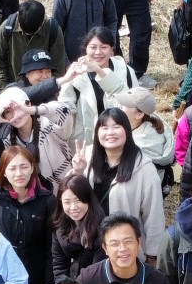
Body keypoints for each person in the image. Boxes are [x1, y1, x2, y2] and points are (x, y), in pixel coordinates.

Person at [65, 108, 166, 258]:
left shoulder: (144, 168)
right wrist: (77, 172)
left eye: (116, 127)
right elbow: (70, 196)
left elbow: (154, 214)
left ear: (127, 130)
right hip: (89, 244)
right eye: (104, 127)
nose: (110, 132)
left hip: (123, 249)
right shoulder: (86, 156)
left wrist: (153, 254)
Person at [0, 145, 57, 284]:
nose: (19, 173)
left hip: (36, 270)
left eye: (24, 167)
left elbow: (51, 245)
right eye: (12, 168)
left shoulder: (47, 200)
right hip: (5, 272)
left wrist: (49, 283)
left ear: (32, 167)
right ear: (3, 171)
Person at [0, 72, 76, 182]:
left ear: (29, 104)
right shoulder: (7, 141)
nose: (15, 114)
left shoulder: (49, 124)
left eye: (18, 108)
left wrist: (34, 110)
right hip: (31, 191)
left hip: (65, 186)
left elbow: (65, 111)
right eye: (8, 112)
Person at [56, 27, 138, 142]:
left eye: (104, 47)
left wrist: (98, 70)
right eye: (93, 47)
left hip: (118, 139)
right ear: (86, 49)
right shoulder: (75, 73)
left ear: (112, 49)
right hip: (86, 141)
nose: (98, 52)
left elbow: (135, 103)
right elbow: (65, 107)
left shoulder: (125, 71)